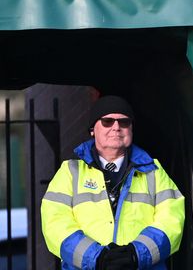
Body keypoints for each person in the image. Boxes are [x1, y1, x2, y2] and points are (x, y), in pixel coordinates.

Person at [41, 95, 184, 269]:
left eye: (124, 122)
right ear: (93, 129)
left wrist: (136, 254)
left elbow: (172, 221)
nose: (116, 127)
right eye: (107, 121)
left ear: (131, 129)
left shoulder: (154, 171)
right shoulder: (70, 172)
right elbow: (54, 223)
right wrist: (96, 258)